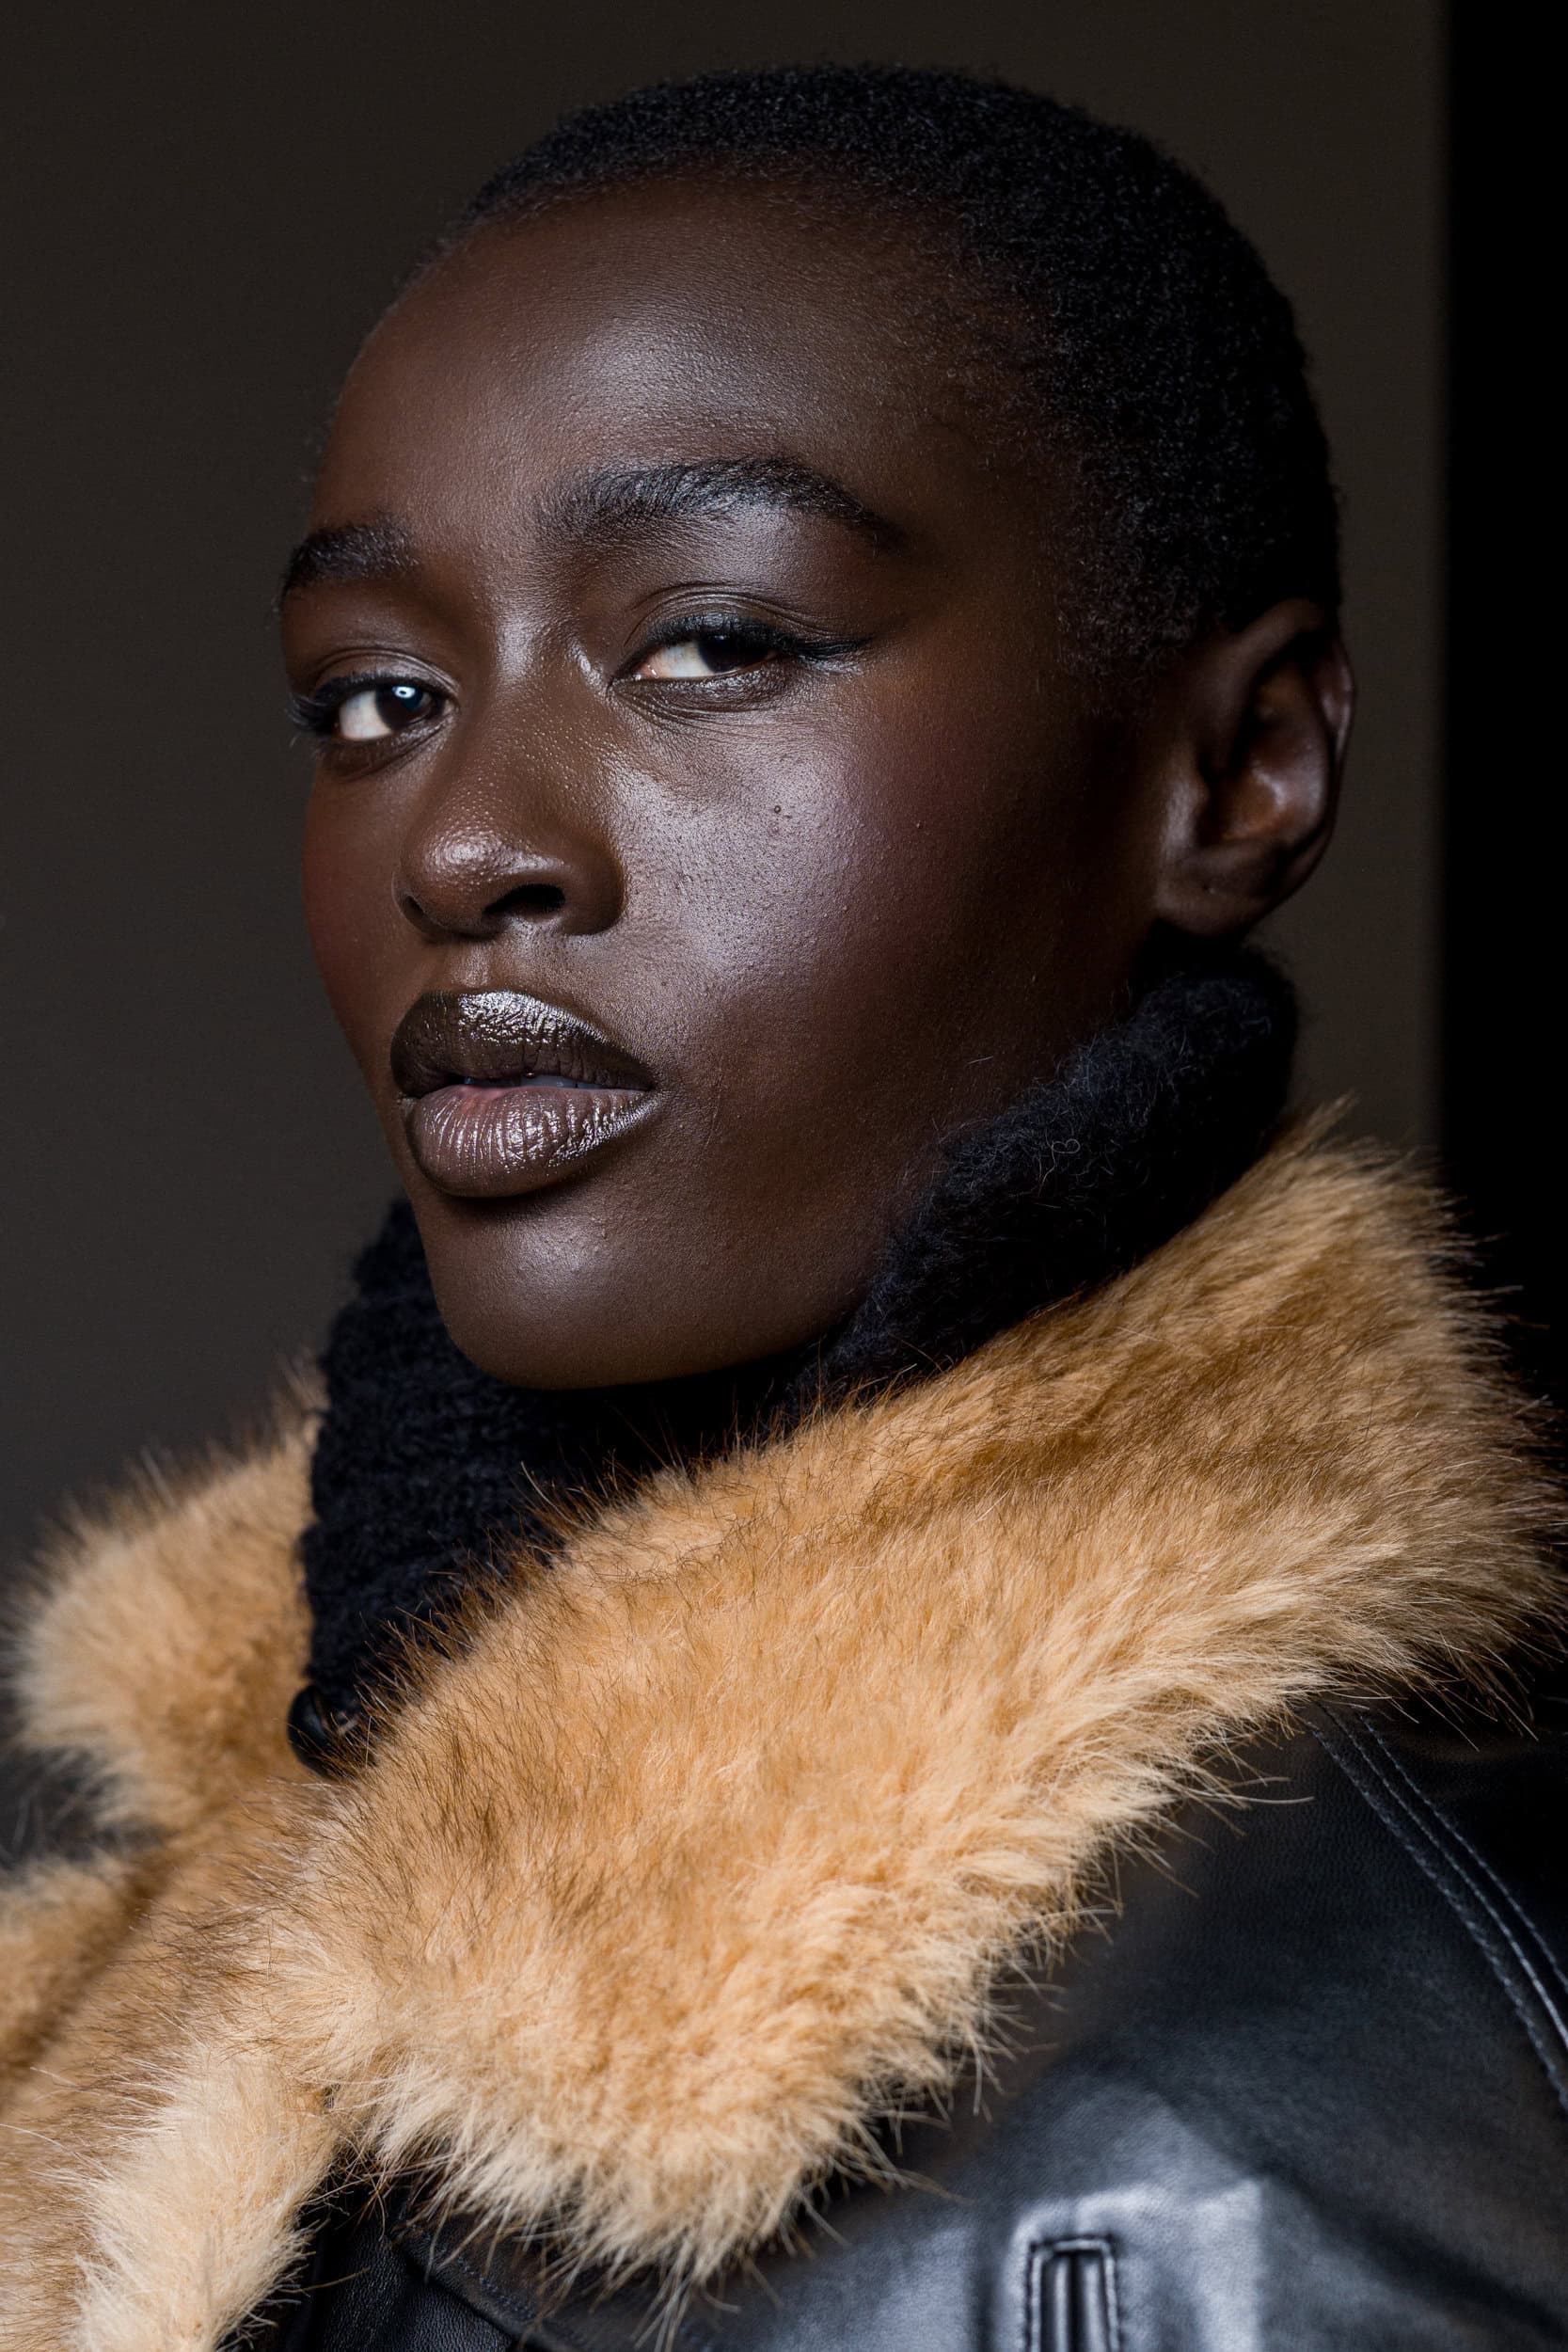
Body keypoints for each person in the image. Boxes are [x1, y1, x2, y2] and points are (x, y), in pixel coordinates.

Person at [1, 64, 1563, 2352]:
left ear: (1238, 770)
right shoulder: (199, 1940)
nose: (465, 840)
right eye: (378, 696)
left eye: (712, 644)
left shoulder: (1270, 2126)